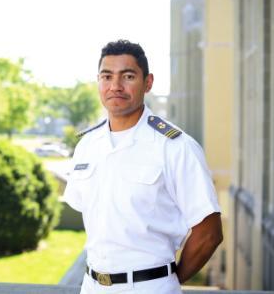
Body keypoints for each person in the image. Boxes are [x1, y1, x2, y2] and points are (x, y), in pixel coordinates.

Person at [64, 40, 223, 294]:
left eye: (128, 76)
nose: (115, 86)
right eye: (107, 76)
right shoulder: (87, 145)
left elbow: (209, 233)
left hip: (150, 287)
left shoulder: (175, 147)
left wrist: (168, 280)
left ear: (148, 83)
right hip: (92, 286)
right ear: (98, 82)